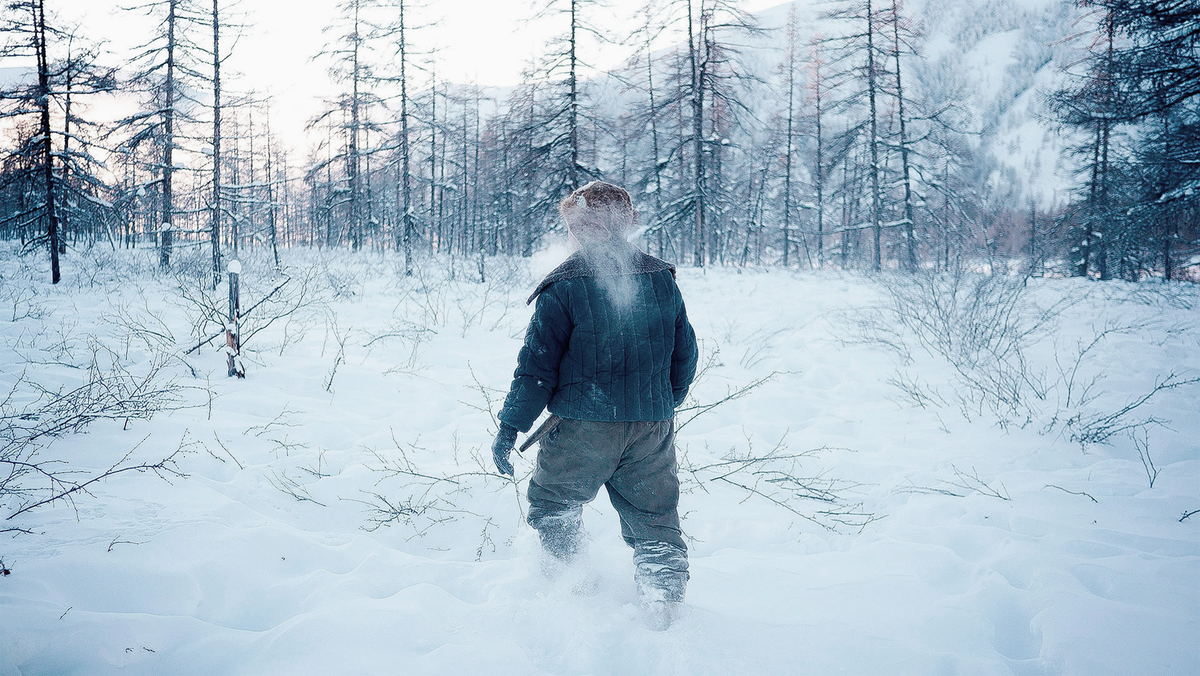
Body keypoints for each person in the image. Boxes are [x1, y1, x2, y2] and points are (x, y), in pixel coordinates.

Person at [491, 181, 698, 629]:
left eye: (574, 224)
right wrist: (660, 405)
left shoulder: (565, 285)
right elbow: (685, 355)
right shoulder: (660, 278)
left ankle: (570, 586)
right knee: (655, 519)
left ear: (585, 227)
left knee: (554, 503)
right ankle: (664, 606)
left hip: (582, 426)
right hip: (651, 426)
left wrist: (511, 427)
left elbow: (537, 368)